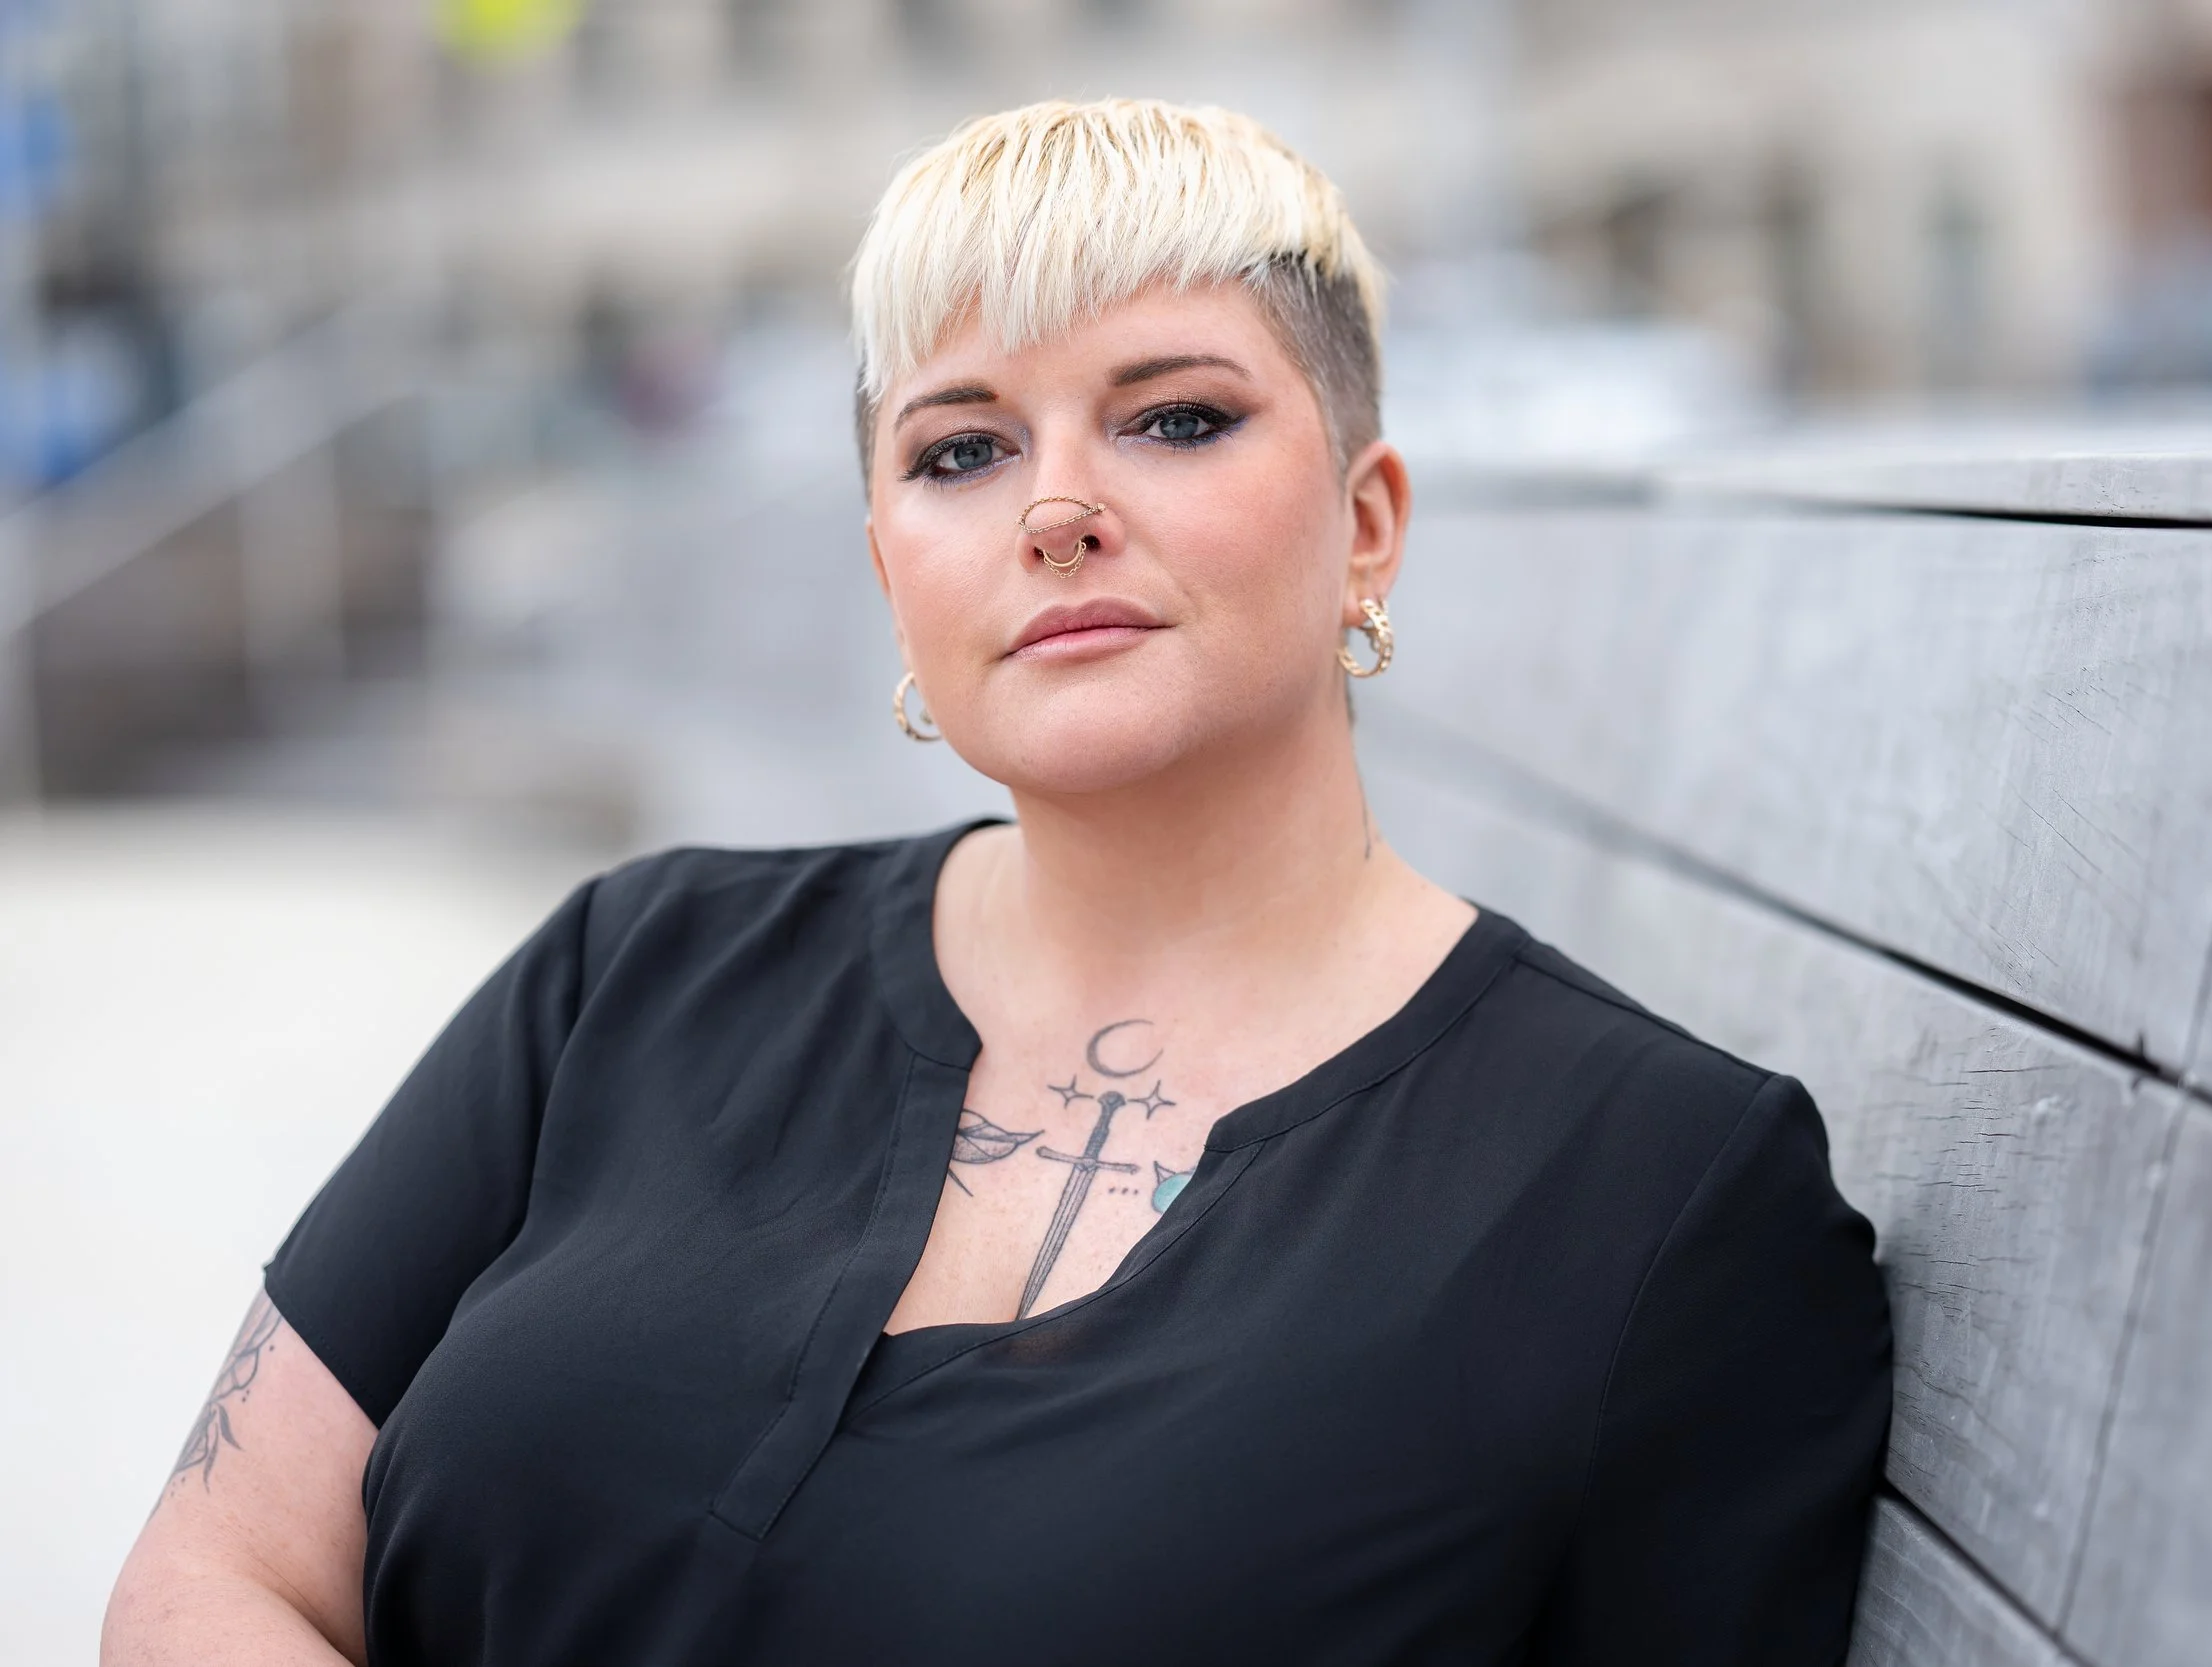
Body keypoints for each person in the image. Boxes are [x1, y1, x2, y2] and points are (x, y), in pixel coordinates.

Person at [104, 99, 1890, 1666]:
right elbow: (217, 1566)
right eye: (961, 449)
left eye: (1175, 419)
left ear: (1365, 522)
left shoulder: (1657, 1198)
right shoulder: (629, 970)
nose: (1056, 508)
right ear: (891, 562)